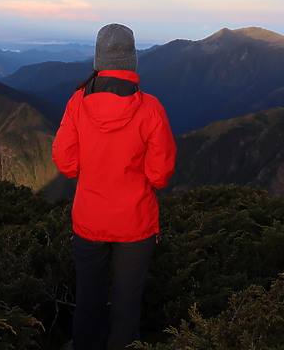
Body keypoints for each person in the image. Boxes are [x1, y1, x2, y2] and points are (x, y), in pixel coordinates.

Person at [52, 23, 177, 350]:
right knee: (126, 303)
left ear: (99, 59)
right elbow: (160, 175)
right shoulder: (151, 109)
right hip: (135, 225)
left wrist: (92, 167)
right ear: (132, 61)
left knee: (89, 299)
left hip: (89, 221)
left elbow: (66, 163)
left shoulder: (77, 103)